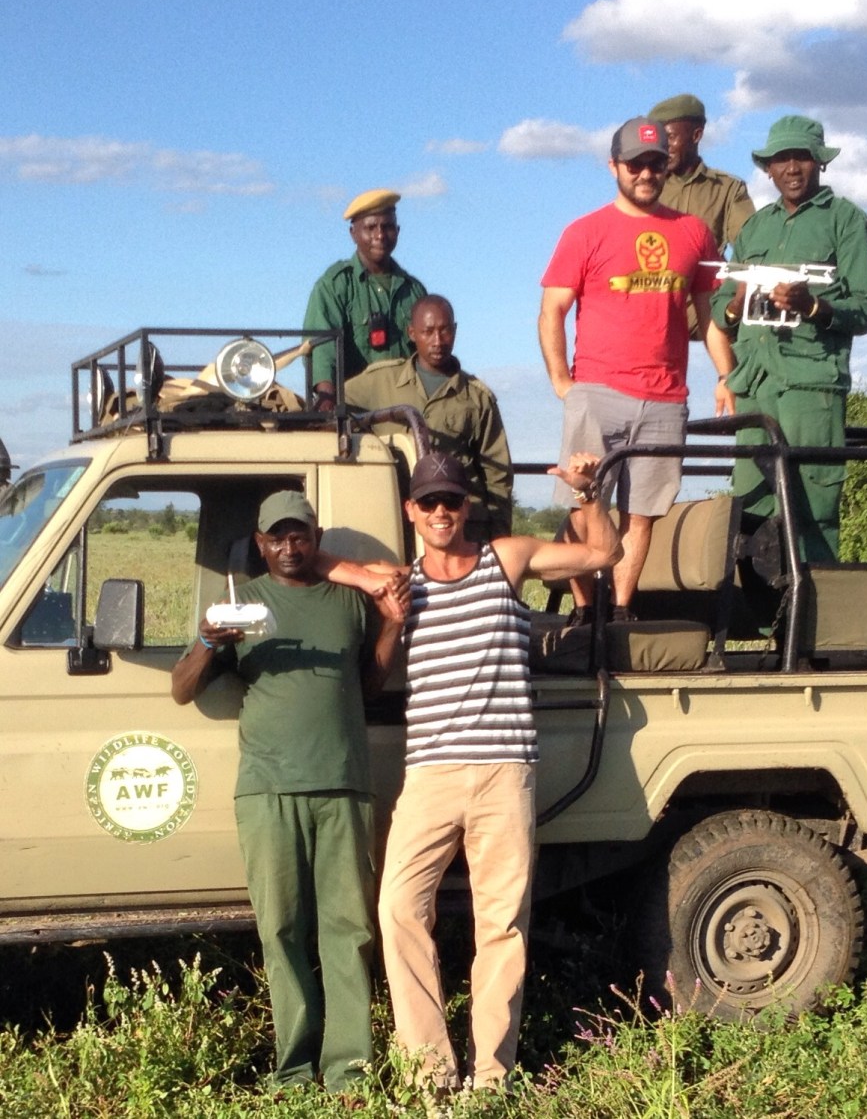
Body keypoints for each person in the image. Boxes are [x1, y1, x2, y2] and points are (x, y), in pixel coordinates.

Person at [332, 451, 620, 1093]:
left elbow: (604, 555)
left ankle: (492, 1077)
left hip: (502, 770)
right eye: (428, 502)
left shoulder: (506, 558)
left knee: (502, 924)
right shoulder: (401, 580)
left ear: (468, 507)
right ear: (410, 510)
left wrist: (589, 492)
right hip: (430, 773)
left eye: (451, 501)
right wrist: (379, 598)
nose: (441, 512)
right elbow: (319, 565)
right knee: (399, 909)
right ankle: (431, 1073)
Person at [170, 491, 406, 1097]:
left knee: (349, 930)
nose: (288, 546)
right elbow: (181, 689)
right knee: (281, 930)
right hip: (268, 789)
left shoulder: (350, 603)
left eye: (299, 534)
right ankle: (295, 1071)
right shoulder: (242, 604)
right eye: (276, 537)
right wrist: (208, 638)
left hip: (345, 785)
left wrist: (393, 627)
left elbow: (371, 682)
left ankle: (349, 1071)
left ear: (316, 535)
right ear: (260, 542)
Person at [538, 115, 736, 623]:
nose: (646, 174)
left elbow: (710, 316)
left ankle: (622, 610)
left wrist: (724, 376)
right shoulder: (585, 232)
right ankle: (586, 612)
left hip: (666, 397)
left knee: (642, 512)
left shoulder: (693, 232)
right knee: (587, 505)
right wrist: (564, 382)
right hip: (598, 388)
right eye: (635, 165)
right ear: (614, 167)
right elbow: (552, 310)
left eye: (655, 164)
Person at [711, 114, 867, 562]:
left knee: (811, 507)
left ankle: (811, 625)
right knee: (749, 508)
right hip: (755, 389)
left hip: (811, 388)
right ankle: (766, 625)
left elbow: (865, 310)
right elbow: (720, 311)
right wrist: (735, 303)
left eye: (801, 158)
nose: (791, 168)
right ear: (767, 168)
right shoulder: (753, 229)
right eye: (781, 159)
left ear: (819, 163)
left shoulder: (848, 221)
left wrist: (813, 307)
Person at [345, 294, 514, 541]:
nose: (437, 341)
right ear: (412, 333)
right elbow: (329, 407)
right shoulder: (377, 382)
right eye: (428, 332)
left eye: (445, 331)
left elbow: (497, 475)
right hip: (393, 521)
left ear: (455, 331)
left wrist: (500, 541)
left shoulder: (477, 397)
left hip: (458, 527)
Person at [303, 188, 427, 409]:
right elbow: (321, 350)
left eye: (387, 227)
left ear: (397, 231)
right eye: (370, 227)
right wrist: (328, 401)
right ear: (353, 233)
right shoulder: (335, 285)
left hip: (406, 410)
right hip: (354, 411)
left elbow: (428, 356)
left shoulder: (414, 291)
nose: (380, 235)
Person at [649, 93, 756, 340]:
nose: (663, 147)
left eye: (671, 138)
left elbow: (752, 243)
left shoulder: (727, 188)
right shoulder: (648, 186)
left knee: (752, 329)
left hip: (706, 300)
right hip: (655, 298)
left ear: (696, 136)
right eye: (659, 140)